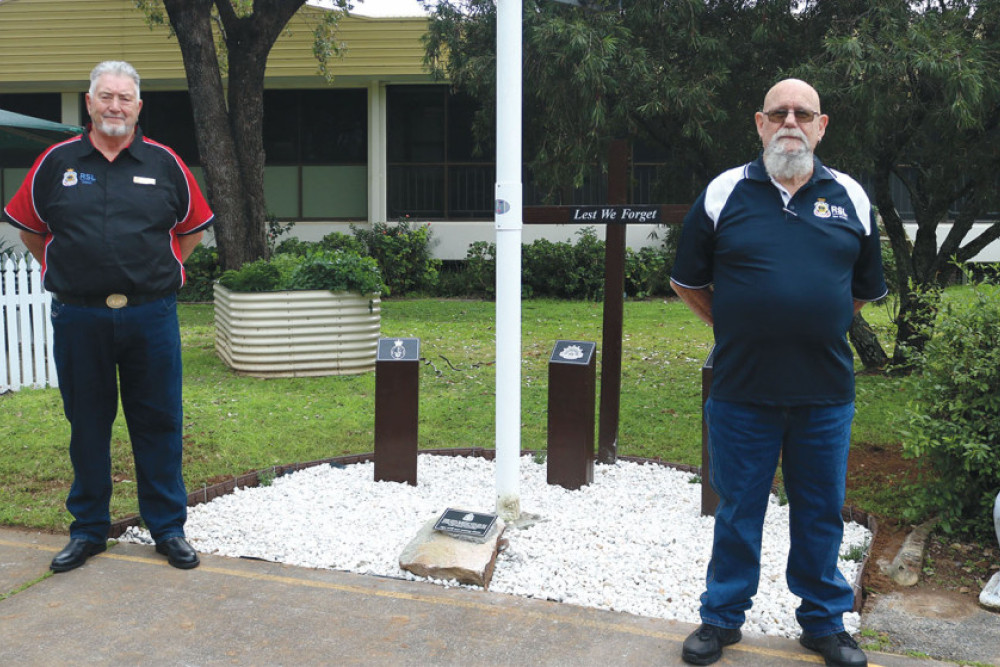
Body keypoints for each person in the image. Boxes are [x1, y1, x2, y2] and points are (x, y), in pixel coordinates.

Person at [670, 79, 887, 667]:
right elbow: (687, 280)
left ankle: (823, 622)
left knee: (820, 510)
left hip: (824, 394)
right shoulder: (724, 193)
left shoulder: (851, 198)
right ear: (760, 124)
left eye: (803, 113)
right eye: (778, 112)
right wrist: (736, 327)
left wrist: (813, 321)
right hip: (742, 390)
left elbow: (864, 289)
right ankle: (720, 619)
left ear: (822, 126)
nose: (790, 120)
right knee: (738, 509)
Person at [2, 61, 214, 572]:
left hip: (151, 317)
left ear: (138, 107)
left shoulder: (165, 163)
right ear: (90, 102)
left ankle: (167, 528)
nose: (115, 106)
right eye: (106, 97)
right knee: (88, 424)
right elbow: (30, 227)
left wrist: (166, 269)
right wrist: (67, 267)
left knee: (159, 420)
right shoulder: (57, 162)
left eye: (125, 97)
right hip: (80, 318)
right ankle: (89, 530)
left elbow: (193, 228)